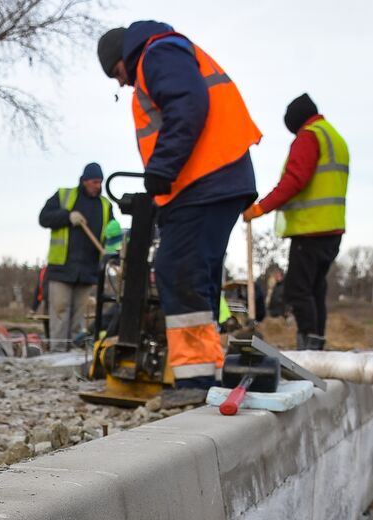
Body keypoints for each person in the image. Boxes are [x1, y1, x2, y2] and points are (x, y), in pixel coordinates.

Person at [97, 21, 262, 389]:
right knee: (195, 278)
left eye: (117, 72)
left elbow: (188, 105)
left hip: (206, 181)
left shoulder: (158, 53)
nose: (121, 82)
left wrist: (161, 169)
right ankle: (206, 376)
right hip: (212, 180)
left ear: (124, 57)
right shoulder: (164, 53)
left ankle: (197, 383)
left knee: (177, 271)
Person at [244, 94, 348, 350]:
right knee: (315, 290)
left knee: (298, 290)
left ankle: (309, 347)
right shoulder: (333, 137)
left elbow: (294, 180)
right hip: (331, 229)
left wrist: (260, 208)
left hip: (311, 230)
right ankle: (316, 345)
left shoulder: (309, 136)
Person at [38, 163, 113, 350]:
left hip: (88, 270)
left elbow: (112, 234)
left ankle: (73, 354)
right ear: (85, 180)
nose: (98, 186)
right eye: (95, 182)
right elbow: (44, 218)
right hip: (62, 269)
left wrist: (111, 252)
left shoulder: (105, 206)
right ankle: (57, 351)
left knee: (78, 316)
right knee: (60, 311)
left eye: (100, 182)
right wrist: (67, 217)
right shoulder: (64, 196)